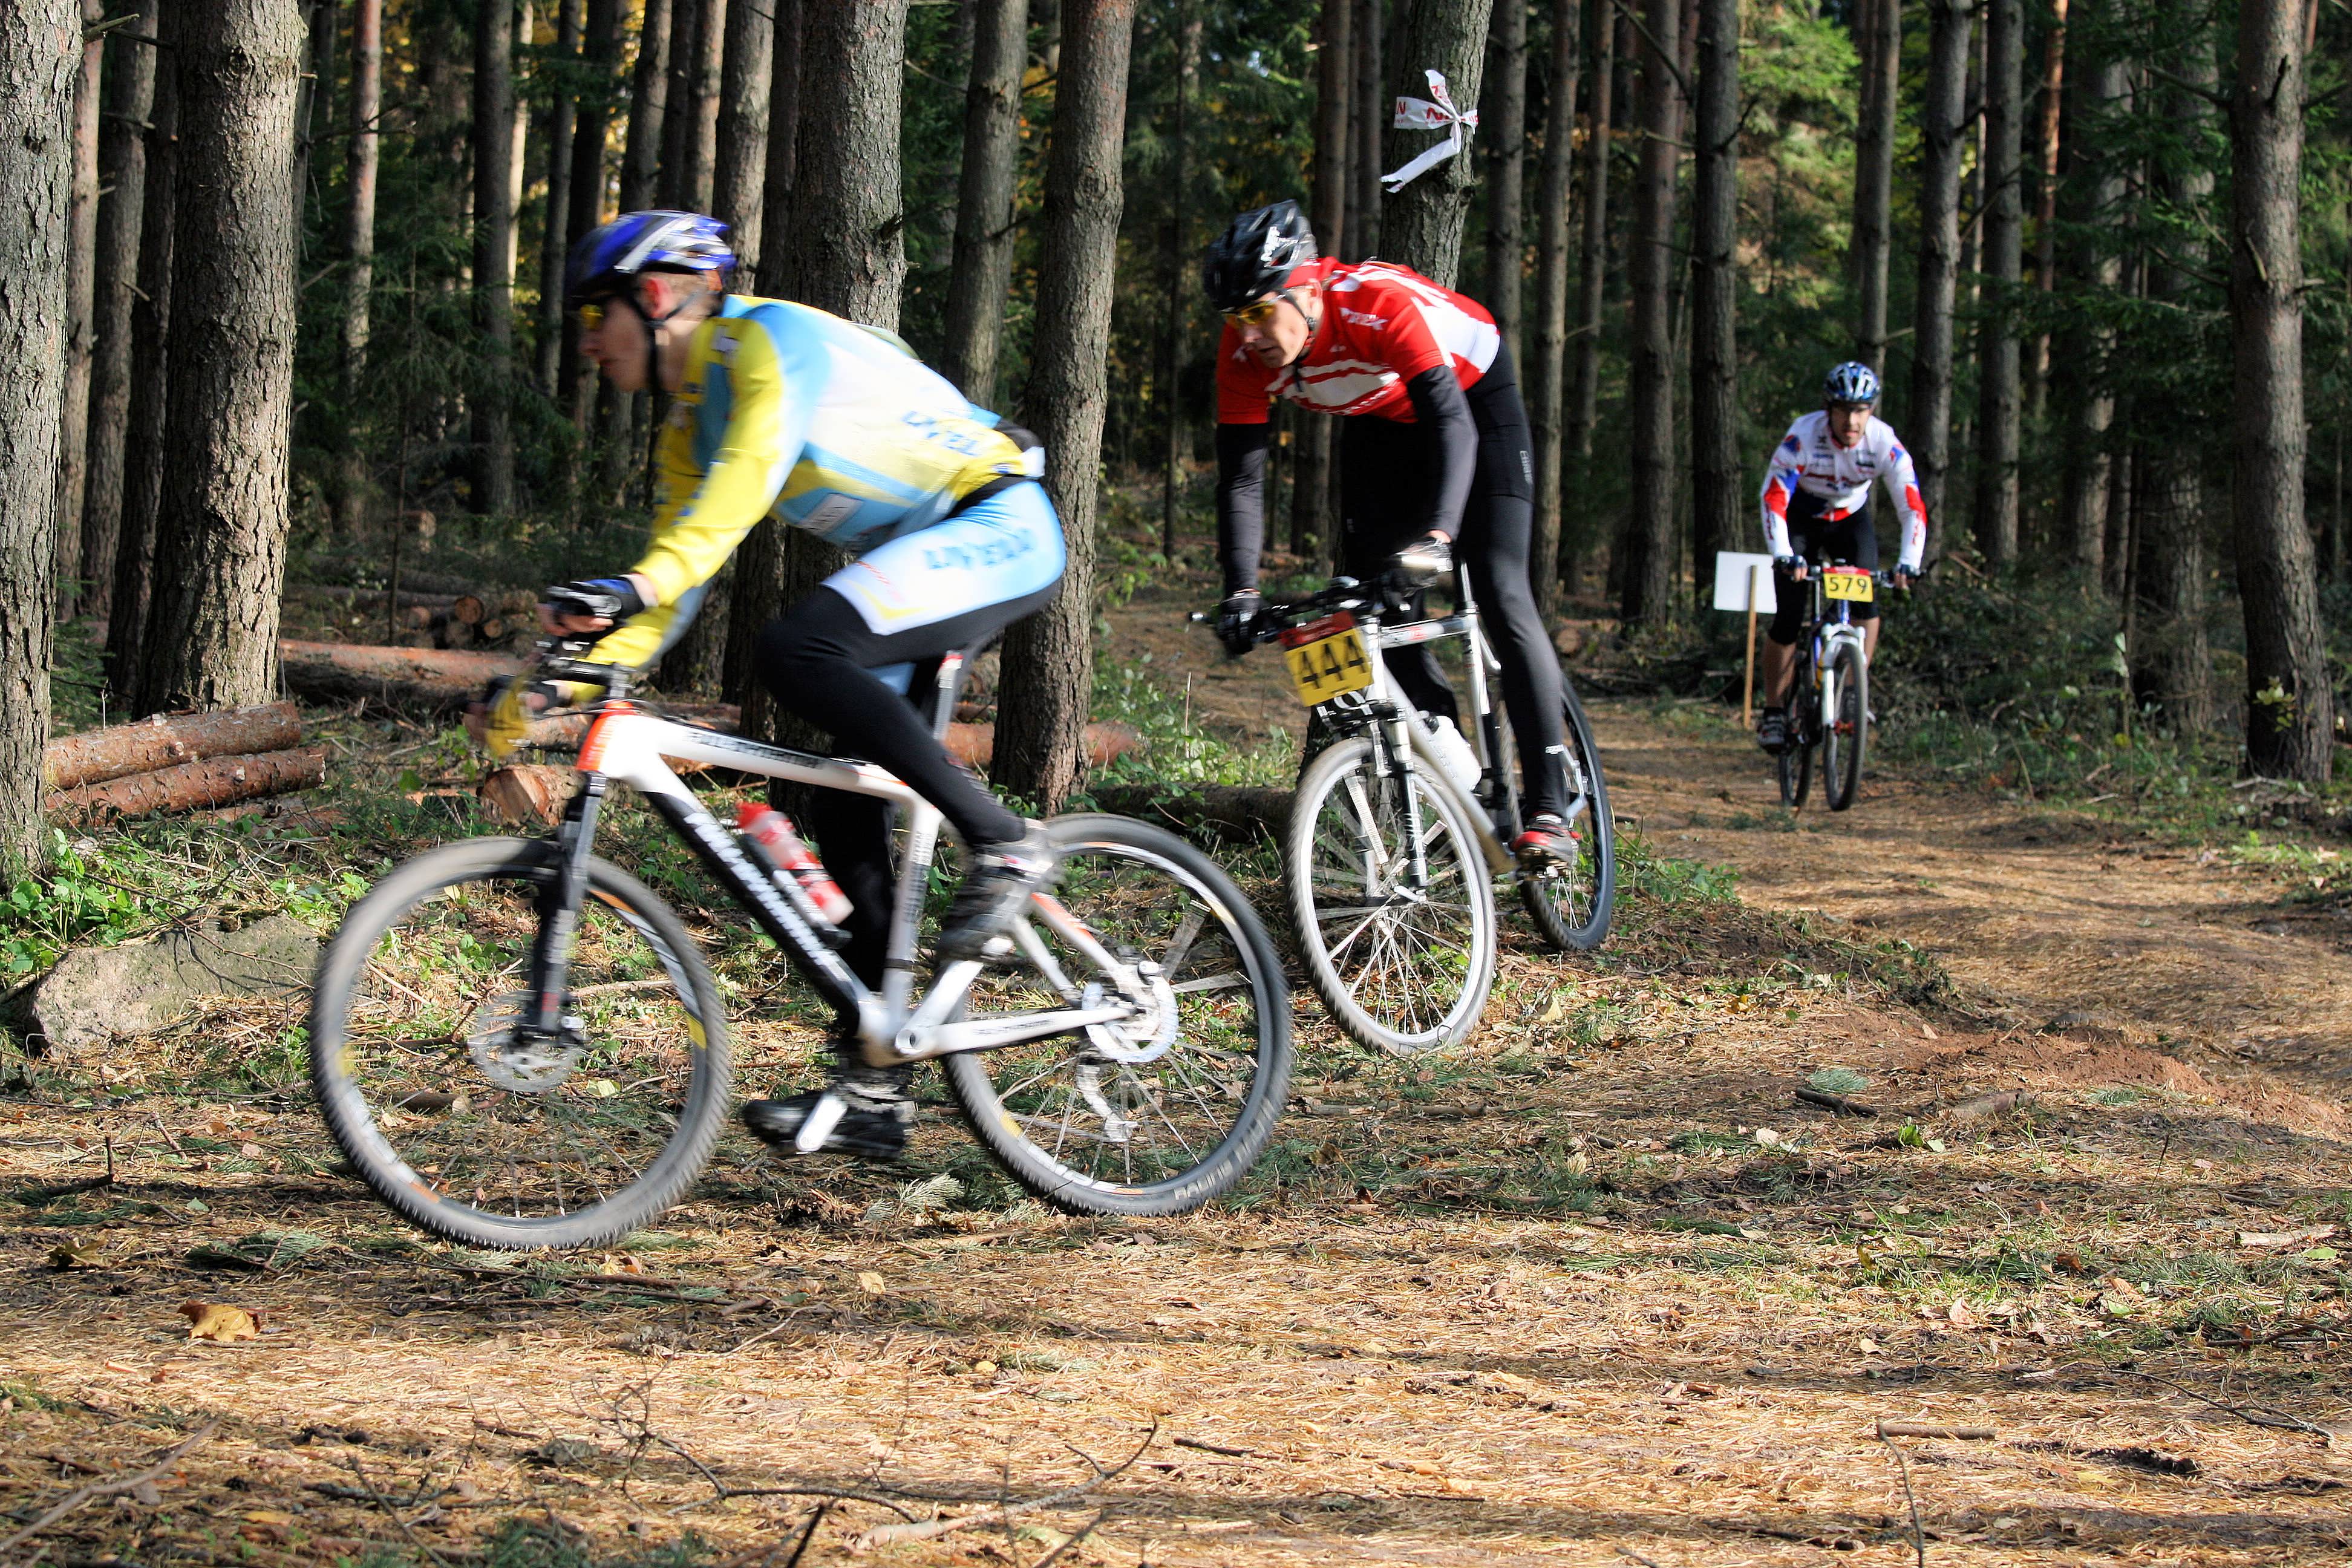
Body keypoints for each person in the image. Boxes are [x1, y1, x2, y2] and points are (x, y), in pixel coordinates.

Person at [471, 210, 1064, 1158]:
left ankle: (1006, 844)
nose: (585, 342)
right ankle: (876, 1090)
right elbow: (680, 572)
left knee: (797, 649)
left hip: (995, 523)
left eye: (593, 315)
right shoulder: (685, 426)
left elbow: (742, 486)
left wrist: (634, 586)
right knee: (847, 804)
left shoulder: (766, 343)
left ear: (653, 296)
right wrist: (574, 681)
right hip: (928, 552)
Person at [1200, 201, 1577, 864]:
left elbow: (1453, 425)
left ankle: (1550, 804)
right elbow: (1242, 481)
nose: (1248, 335)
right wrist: (1242, 590)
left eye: (1259, 312)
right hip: (1380, 422)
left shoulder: (1375, 304)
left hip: (1473, 403)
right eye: (1236, 318)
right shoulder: (1243, 353)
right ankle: (1462, 782)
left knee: (1499, 587)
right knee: (1372, 601)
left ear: (1308, 290)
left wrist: (1438, 537)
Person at [1754, 361, 1928, 754]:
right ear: (1828, 409)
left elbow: (1912, 506)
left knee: (1868, 606)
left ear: (1871, 411)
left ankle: (1852, 694)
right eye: (1843, 410)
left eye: (1860, 411)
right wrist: (1783, 554)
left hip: (1849, 520)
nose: (1852, 421)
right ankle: (1775, 711)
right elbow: (1775, 498)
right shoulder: (1803, 437)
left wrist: (1909, 561)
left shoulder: (1883, 442)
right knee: (1789, 617)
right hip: (1800, 519)